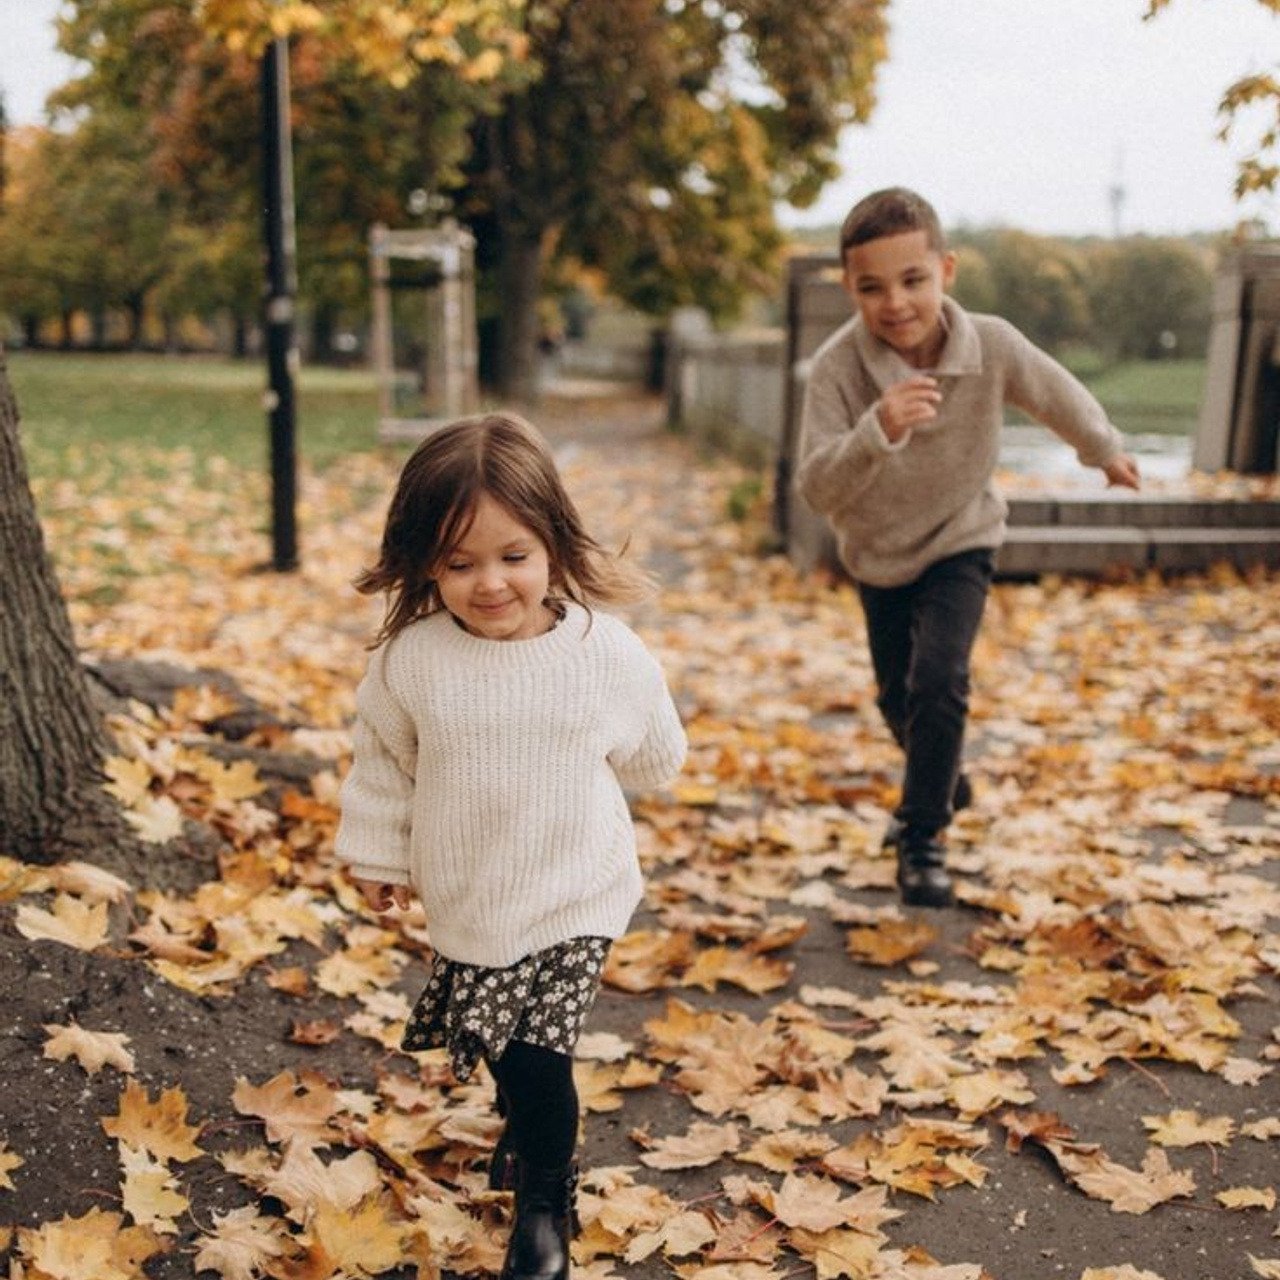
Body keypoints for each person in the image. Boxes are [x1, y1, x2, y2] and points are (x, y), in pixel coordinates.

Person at [334, 412, 687, 1280]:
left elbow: (656, 760)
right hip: (469, 890)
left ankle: (544, 1205)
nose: (490, 583)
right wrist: (378, 857)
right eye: (460, 564)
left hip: (578, 889)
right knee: (497, 1039)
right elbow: (384, 765)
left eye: (513, 556)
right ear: (424, 564)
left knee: (537, 1052)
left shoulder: (606, 653)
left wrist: (609, 741)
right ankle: (530, 1134)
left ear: (555, 547)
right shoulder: (411, 663)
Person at [796, 187, 1140, 909]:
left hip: (963, 536)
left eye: (913, 279)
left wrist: (1104, 449)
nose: (896, 303)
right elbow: (817, 488)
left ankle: (923, 838)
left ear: (946, 270)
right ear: (850, 289)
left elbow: (1056, 394)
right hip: (879, 552)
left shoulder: (991, 344)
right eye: (872, 287)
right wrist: (878, 429)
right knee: (899, 701)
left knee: (940, 678)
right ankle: (943, 780)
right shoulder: (838, 370)